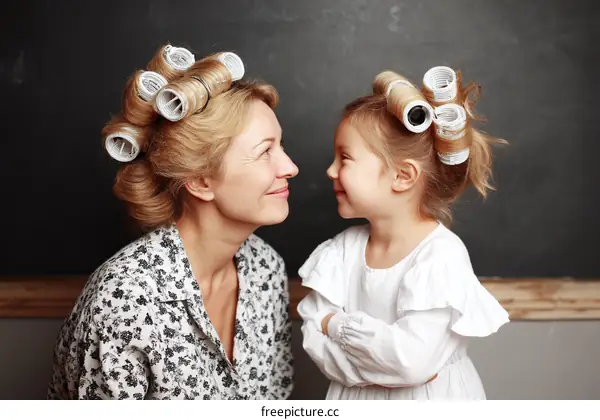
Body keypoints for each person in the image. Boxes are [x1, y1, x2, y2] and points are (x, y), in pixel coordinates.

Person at [47, 44, 298, 400]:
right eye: (265, 152)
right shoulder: (124, 301)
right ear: (200, 181)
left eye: (282, 146)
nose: (290, 167)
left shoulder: (266, 270)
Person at [297, 65, 510, 399]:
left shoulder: (440, 255)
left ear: (403, 176)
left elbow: (409, 362)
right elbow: (312, 331)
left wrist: (334, 325)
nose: (330, 170)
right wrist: (374, 368)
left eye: (345, 158)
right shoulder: (340, 251)